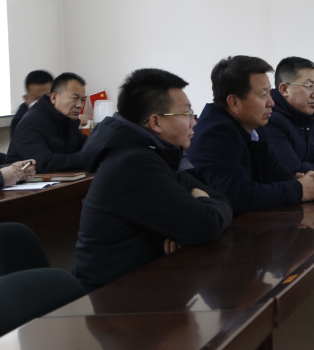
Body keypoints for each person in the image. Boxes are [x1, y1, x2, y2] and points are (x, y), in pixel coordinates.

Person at [72, 69, 233, 293]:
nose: (194, 122)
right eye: (187, 113)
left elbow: (221, 201)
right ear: (156, 122)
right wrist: (199, 201)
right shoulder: (133, 164)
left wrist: (197, 210)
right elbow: (207, 225)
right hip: (111, 296)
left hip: (146, 283)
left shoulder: (155, 153)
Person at [187, 56, 314, 214]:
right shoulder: (215, 135)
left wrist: (305, 181)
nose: (271, 102)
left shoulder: (252, 127)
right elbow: (238, 196)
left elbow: (274, 172)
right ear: (234, 102)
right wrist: (299, 189)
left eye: (269, 93)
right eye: (263, 95)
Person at [8, 72, 89, 172]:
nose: (80, 105)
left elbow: (86, 145)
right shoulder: (32, 122)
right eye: (75, 98)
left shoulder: (67, 119)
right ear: (54, 98)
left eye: (83, 100)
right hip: (26, 181)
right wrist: (87, 156)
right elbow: (43, 164)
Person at [10, 70, 53, 137]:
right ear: (26, 98)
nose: (42, 101)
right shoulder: (20, 121)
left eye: (47, 96)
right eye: (35, 98)